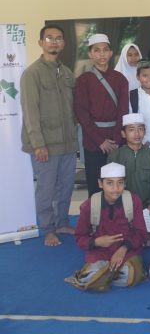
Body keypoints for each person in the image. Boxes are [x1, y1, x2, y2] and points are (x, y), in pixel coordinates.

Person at [21, 24, 78, 247]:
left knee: (66, 186)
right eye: (49, 38)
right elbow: (30, 112)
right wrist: (38, 144)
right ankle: (48, 229)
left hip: (67, 143)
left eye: (58, 38)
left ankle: (62, 222)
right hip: (45, 145)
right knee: (46, 189)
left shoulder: (67, 73)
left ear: (63, 43)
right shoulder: (32, 73)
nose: (54, 42)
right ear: (40, 42)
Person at [66, 163, 147, 291]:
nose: (116, 188)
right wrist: (96, 242)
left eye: (120, 183)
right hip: (100, 252)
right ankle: (104, 273)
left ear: (125, 183)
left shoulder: (133, 201)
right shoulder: (89, 206)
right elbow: (80, 238)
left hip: (127, 251)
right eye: (109, 183)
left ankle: (104, 275)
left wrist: (124, 248)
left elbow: (141, 233)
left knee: (131, 276)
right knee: (90, 277)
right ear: (100, 184)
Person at [74, 34, 129, 196]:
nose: (101, 54)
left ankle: (117, 213)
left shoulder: (120, 79)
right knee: (95, 184)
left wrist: (116, 140)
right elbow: (82, 113)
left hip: (116, 140)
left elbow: (123, 111)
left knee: (118, 185)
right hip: (93, 141)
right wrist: (100, 141)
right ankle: (96, 213)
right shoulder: (83, 80)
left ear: (111, 53)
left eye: (105, 50)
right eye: (97, 50)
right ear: (90, 54)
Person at [108, 113, 150, 212]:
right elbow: (109, 185)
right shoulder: (115, 156)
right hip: (121, 206)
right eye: (131, 130)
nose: (137, 134)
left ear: (145, 131)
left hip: (146, 207)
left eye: (140, 129)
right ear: (123, 133)